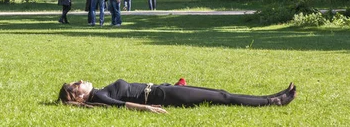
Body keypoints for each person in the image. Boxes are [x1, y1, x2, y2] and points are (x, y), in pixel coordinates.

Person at [58, 79, 297, 112]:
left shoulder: (99, 93)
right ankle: (273, 101)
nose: (81, 81)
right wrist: (146, 108)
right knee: (222, 96)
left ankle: (272, 96)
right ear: (79, 97)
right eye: (77, 85)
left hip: (163, 89)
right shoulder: (99, 95)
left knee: (221, 94)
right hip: (163, 95)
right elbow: (120, 105)